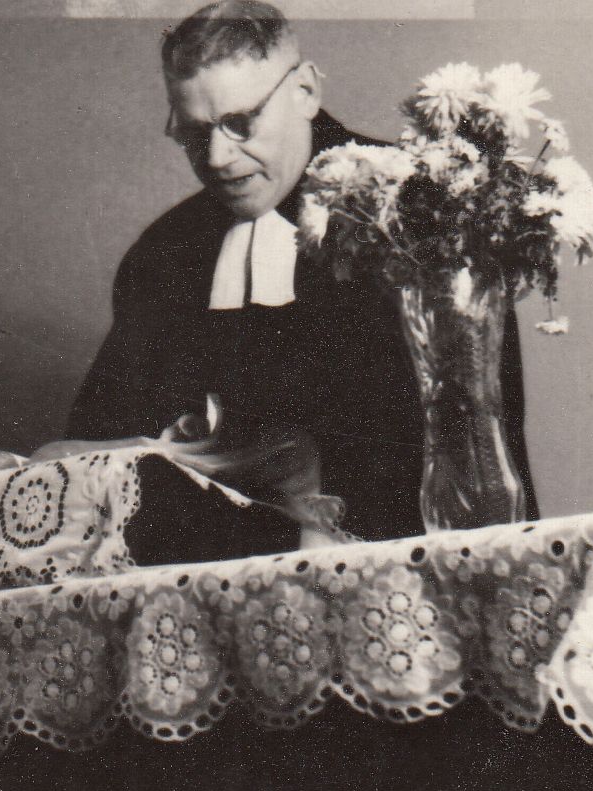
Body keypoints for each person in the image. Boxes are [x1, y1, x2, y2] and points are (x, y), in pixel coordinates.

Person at [65, 0, 537, 562]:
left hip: (409, 561)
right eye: (193, 134)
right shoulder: (165, 253)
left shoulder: (420, 208)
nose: (217, 157)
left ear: (306, 91)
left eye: (241, 123)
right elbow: (103, 451)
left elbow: (474, 437)